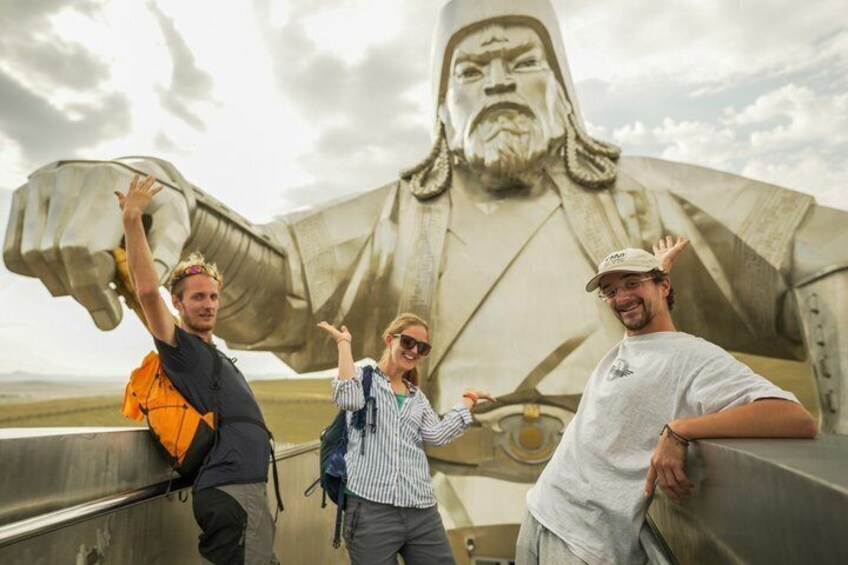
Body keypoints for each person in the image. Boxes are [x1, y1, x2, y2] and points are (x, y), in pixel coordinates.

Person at [5, 0, 848, 547]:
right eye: (470, 71)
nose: (497, 82)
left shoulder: (643, 199)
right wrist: (159, 192)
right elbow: (274, 280)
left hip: (632, 512)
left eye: (520, 61)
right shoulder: (398, 218)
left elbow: (816, 247)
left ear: (564, 92)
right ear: (442, 108)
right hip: (453, 511)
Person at [516, 246, 818, 565]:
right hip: (542, 507)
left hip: (585, 540)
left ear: (665, 286)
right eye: (610, 291)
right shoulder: (631, 344)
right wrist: (651, 274)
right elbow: (641, 304)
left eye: (632, 283)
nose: (621, 298)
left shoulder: (695, 358)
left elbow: (794, 418)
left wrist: (679, 430)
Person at [115, 174, 279, 565]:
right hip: (231, 487)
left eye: (213, 297)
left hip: (242, 488)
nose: (208, 304)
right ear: (178, 303)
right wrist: (133, 221)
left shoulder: (211, 354)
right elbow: (147, 291)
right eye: (198, 297)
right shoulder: (181, 350)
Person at [317, 314, 494, 565]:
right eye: (408, 342)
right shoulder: (364, 380)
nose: (414, 351)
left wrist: (469, 399)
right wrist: (343, 343)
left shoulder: (416, 397)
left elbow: (438, 434)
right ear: (390, 340)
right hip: (371, 511)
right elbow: (348, 399)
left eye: (422, 348)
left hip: (422, 511)